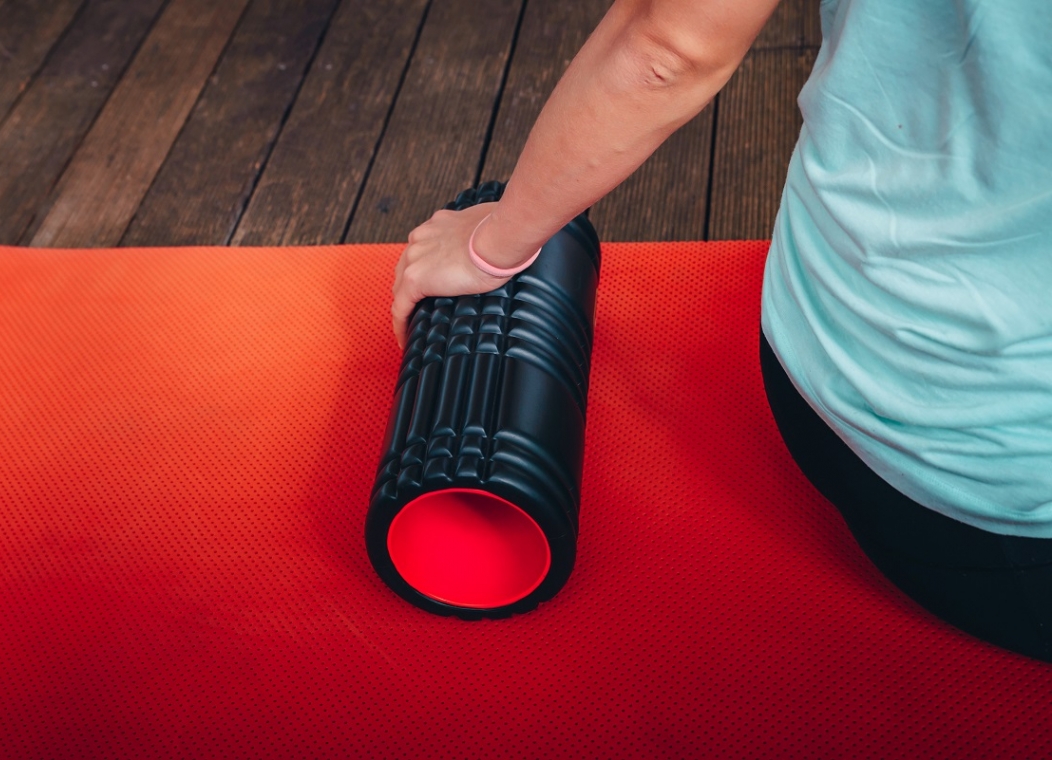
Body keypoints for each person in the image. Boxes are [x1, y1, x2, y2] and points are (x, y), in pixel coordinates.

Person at [391, 0, 1052, 663]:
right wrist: (497, 248)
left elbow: (663, 34)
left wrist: (500, 235)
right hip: (984, 491)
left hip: (820, 342)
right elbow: (666, 49)